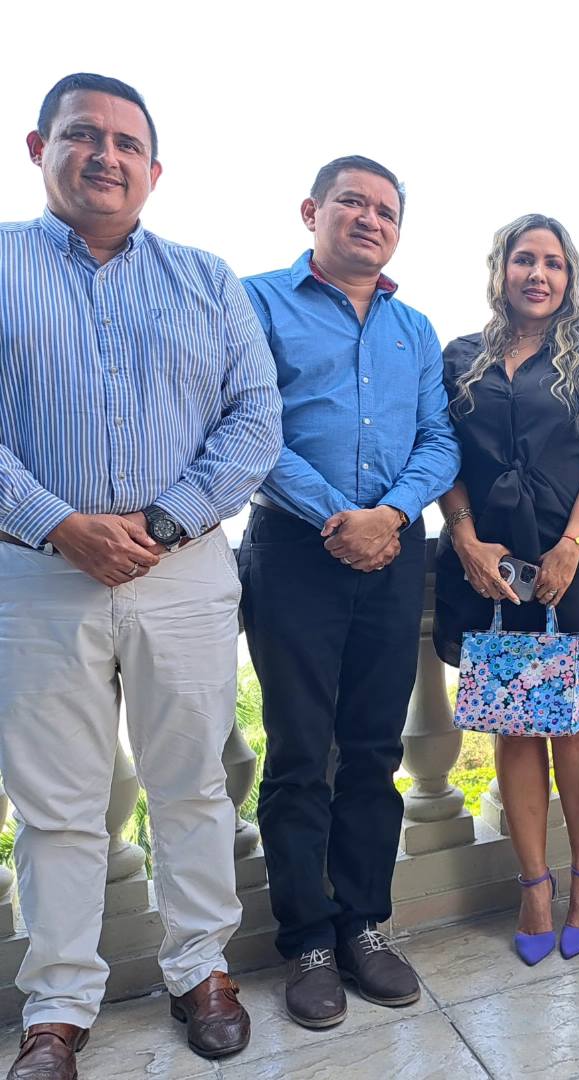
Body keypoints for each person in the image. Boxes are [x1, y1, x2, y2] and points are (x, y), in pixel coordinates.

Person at [0, 73, 282, 1079]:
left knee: (194, 784)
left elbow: (256, 419)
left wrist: (158, 523)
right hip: (37, 575)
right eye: (84, 135)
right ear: (40, 148)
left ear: (155, 172)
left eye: (127, 144)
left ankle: (201, 968)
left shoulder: (207, 279)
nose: (106, 156)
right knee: (57, 803)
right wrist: (59, 524)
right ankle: (58, 1006)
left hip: (183, 571)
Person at [239, 156, 459, 1030]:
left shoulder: (414, 327)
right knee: (300, 751)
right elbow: (250, 428)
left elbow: (439, 440)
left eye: (386, 211)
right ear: (312, 211)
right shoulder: (258, 302)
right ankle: (308, 944)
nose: (370, 220)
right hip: (296, 550)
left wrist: (390, 515)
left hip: (395, 550)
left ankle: (364, 924)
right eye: (352, 203)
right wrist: (342, 518)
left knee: (373, 748)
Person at [432, 214, 579, 966]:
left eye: (553, 262)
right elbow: (442, 454)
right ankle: (535, 888)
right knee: (513, 728)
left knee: (575, 723)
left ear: (570, 277)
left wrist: (569, 548)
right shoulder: (460, 356)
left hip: (577, 560)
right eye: (524, 259)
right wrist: (464, 536)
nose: (538, 274)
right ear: (501, 270)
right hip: (490, 567)